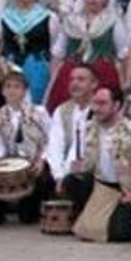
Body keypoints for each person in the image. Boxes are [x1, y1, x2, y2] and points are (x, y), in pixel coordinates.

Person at [64, 86, 131, 243]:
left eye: (102, 103)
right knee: (72, 180)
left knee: (118, 233)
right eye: (94, 103)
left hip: (127, 190)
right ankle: (87, 217)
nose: (96, 108)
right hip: (99, 187)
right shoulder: (88, 128)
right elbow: (77, 159)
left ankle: (94, 221)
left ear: (117, 105)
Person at [0, 72, 52, 229]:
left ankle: (33, 208)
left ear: (25, 91)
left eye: (17, 87)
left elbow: (50, 141)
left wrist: (42, 160)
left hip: (33, 160)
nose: (12, 91)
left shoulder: (40, 112)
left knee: (27, 218)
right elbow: (0, 147)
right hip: (11, 159)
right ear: (2, 91)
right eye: (8, 87)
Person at [47, 0, 127, 112]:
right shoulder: (71, 21)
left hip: (103, 72)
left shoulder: (113, 21)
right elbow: (59, 52)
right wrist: (53, 77)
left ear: (105, 0)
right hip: (71, 71)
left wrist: (124, 81)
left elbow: (123, 52)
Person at [0, 0, 61, 103]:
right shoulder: (3, 17)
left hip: (38, 70)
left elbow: (55, 48)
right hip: (10, 67)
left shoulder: (49, 17)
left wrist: (53, 75)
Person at [44, 65, 98, 206]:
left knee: (78, 180)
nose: (74, 83)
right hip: (67, 169)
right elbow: (55, 145)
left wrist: (66, 174)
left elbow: (83, 147)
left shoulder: (99, 110)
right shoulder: (62, 110)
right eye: (72, 79)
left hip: (93, 168)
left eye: (81, 79)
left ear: (94, 84)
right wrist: (59, 175)